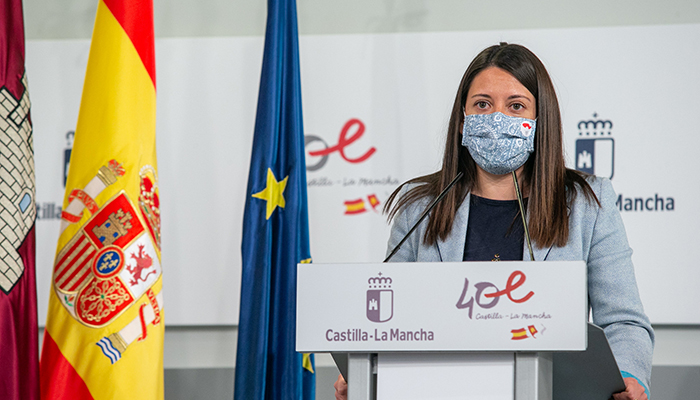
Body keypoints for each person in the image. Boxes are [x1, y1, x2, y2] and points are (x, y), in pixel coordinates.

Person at [334, 43, 654, 400]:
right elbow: (388, 321)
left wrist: (627, 375)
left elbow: (623, 321)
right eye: (482, 105)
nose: (497, 118)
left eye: (516, 106)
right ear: (462, 120)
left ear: (540, 121)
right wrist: (365, 371)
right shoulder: (420, 206)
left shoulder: (587, 203)